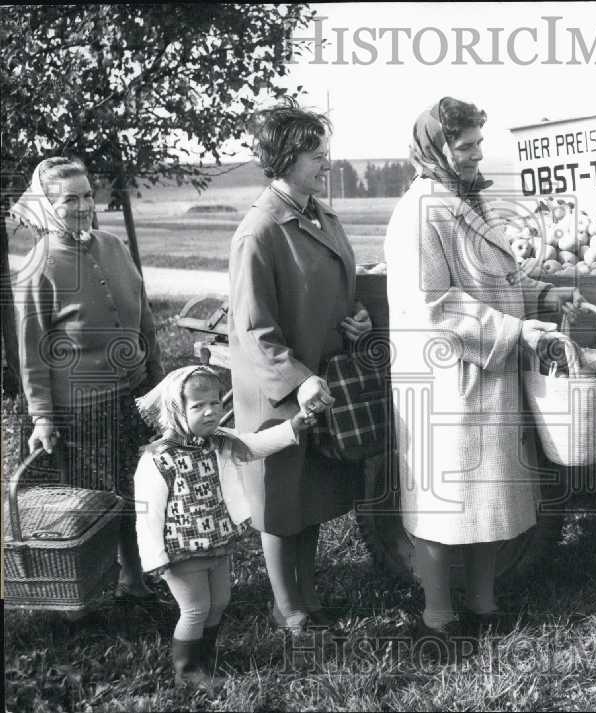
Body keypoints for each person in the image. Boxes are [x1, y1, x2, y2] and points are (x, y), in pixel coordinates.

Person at [383, 97, 583, 645]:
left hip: (485, 374)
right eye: (465, 146)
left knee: (488, 496)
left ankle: (485, 604)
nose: (476, 155)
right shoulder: (419, 213)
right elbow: (434, 304)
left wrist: (540, 297)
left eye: (478, 144)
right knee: (443, 500)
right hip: (448, 378)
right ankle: (438, 616)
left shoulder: (463, 202)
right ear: (436, 149)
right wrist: (517, 331)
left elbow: (496, 277)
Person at [228, 100, 371, 633]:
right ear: (285, 157)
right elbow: (253, 329)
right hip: (280, 392)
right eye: (317, 154)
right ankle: (287, 607)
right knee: (279, 503)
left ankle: (307, 597)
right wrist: (300, 379)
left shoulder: (321, 215)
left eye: (327, 152)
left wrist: (355, 321)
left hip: (321, 383)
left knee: (307, 496)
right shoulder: (259, 231)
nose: (327, 163)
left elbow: (340, 290)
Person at [10, 156, 164, 602]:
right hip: (82, 408)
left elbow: (145, 318)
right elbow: (31, 353)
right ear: (46, 206)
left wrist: (156, 381)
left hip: (133, 394)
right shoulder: (39, 265)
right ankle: (89, 589)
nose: (81, 206)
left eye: (86, 196)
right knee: (97, 503)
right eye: (67, 199)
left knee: (139, 490)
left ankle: (135, 579)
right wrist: (42, 418)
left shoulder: (114, 246)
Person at [133, 366, 317, 688]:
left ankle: (206, 655)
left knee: (219, 602)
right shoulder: (158, 459)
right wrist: (155, 557)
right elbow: (147, 513)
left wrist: (292, 426)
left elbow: (255, 445)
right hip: (180, 552)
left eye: (216, 403)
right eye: (198, 406)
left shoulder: (219, 441)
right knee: (195, 608)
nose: (210, 412)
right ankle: (188, 671)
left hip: (217, 541)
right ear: (177, 410)